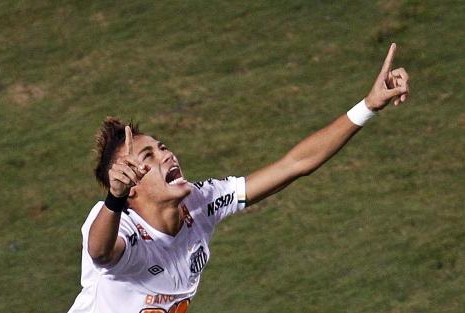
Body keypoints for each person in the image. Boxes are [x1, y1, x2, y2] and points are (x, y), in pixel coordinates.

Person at [68, 43, 409, 313]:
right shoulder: (124, 230)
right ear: (131, 189)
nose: (167, 155)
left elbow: (295, 164)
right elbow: (100, 252)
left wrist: (368, 105)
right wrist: (113, 197)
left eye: (162, 147)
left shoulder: (202, 204)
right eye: (149, 157)